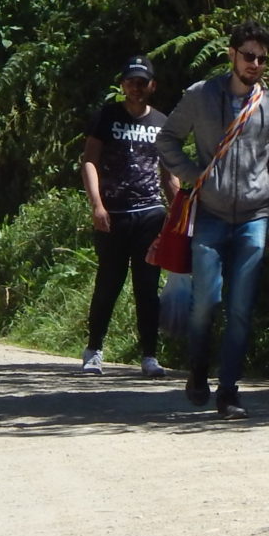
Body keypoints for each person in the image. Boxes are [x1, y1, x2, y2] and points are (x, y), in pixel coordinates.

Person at [159, 22, 269, 419]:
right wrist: (193, 174)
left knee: (241, 308)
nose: (255, 64)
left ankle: (229, 390)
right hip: (211, 215)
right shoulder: (200, 96)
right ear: (231, 53)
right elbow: (166, 139)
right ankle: (198, 370)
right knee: (206, 304)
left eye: (262, 59)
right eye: (248, 55)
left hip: (255, 215)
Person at [79, 57, 179, 378]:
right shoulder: (107, 117)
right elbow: (90, 161)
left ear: (152, 85)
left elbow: (169, 175)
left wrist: (180, 212)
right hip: (113, 216)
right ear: (122, 84)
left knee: (147, 287)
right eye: (131, 81)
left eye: (142, 82)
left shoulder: (163, 122)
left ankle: (149, 355)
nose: (136, 87)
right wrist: (97, 204)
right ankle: (94, 350)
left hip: (150, 215)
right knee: (108, 283)